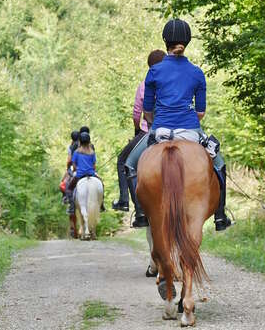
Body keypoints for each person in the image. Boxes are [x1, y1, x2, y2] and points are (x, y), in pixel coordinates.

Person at [125, 18, 231, 231]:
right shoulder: (196, 73)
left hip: (160, 129)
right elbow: (200, 112)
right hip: (191, 130)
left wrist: (155, 123)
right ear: (188, 41)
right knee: (219, 165)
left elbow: (147, 110)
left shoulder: (154, 71)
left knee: (129, 164)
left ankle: (142, 212)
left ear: (166, 41)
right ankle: (220, 216)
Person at [112, 49, 166, 228]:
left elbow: (137, 113)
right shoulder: (172, 82)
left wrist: (138, 129)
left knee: (124, 162)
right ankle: (219, 212)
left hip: (149, 131)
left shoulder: (145, 84)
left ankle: (132, 206)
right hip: (180, 128)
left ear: (149, 66)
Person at [67, 132, 99, 216]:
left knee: (69, 188)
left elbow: (73, 165)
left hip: (79, 175)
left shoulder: (77, 152)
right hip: (91, 174)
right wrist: (91, 170)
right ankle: (102, 205)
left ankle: (72, 207)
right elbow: (94, 165)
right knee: (101, 184)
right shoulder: (92, 152)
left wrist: (77, 169)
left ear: (80, 142)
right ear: (89, 141)